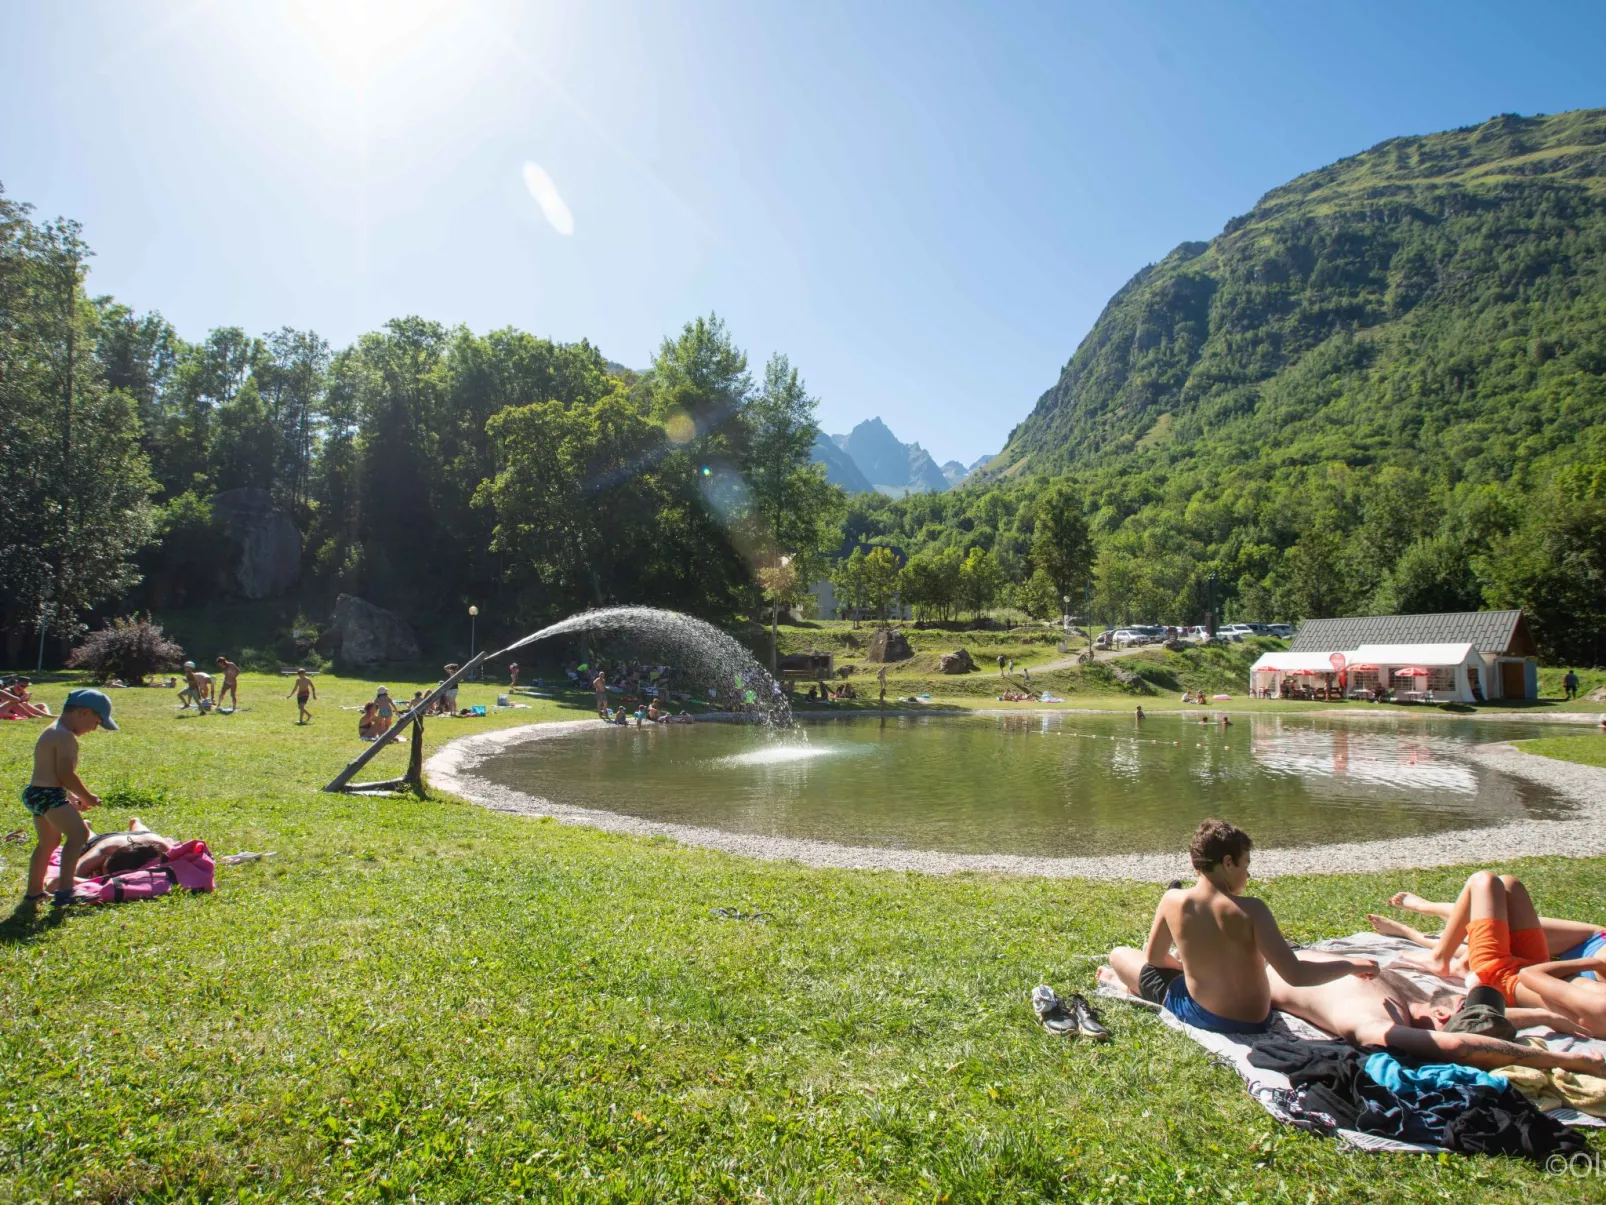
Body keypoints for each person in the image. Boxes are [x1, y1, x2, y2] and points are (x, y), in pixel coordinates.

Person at [1103, 819, 1375, 1034]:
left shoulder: (1173, 900)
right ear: (1228, 862)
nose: (1247, 874)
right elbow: (1296, 974)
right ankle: (1129, 985)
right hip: (1256, 1020)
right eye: (1246, 865)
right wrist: (1350, 965)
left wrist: (1188, 969)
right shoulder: (1253, 909)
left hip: (1205, 1015)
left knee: (1119, 955)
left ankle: (1124, 985)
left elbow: (1154, 959)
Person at [1264, 962, 1605, 1074]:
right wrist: (1558, 1048)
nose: (1464, 998)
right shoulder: (1391, 1012)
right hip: (1271, 962)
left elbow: (1458, 1036)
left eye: (1465, 1004)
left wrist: (1546, 1023)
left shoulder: (1399, 1010)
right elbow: (1457, 1038)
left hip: (1274, 961)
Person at [1377, 875, 1606, 1027]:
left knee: (1483, 881)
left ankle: (1440, 958)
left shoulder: (1600, 1008)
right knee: (1509, 884)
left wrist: (1592, 963)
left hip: (1503, 977)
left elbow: (1531, 975)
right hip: (1529, 967)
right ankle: (1448, 954)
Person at [22, 689, 117, 907]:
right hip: (48, 795)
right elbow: (66, 774)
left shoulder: (53, 730)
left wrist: (71, 796)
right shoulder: (64, 736)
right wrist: (88, 797)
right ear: (83, 713)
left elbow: (55, 775)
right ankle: (66, 890)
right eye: (96, 721)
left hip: (37, 792)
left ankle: (34, 892)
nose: (94, 728)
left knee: (48, 843)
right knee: (79, 833)